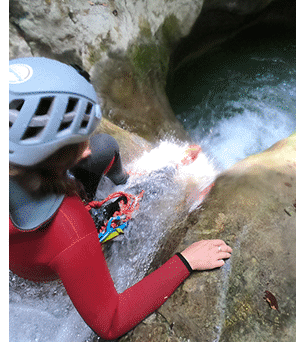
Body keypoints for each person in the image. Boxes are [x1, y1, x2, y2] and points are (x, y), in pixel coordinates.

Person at [9, 57, 232, 341]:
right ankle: (166, 173)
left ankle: (127, 178)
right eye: (79, 142)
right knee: (136, 200)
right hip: (41, 265)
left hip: (25, 231)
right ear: (49, 160)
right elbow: (110, 321)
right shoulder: (68, 227)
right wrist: (185, 261)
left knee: (105, 148)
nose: (86, 148)